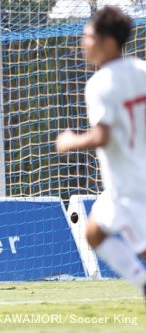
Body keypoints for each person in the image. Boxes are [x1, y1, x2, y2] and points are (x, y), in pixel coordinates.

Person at [56, 6, 146, 298]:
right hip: (128, 182)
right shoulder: (141, 70)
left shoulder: (100, 84)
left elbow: (102, 135)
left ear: (108, 41)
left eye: (88, 36)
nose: (84, 42)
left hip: (129, 185)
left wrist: (69, 141)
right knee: (94, 232)